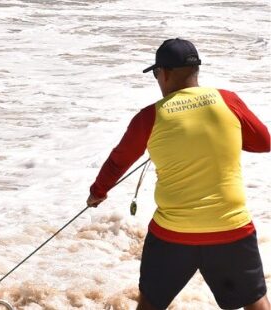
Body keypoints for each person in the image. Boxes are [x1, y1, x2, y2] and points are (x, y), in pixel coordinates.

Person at [86, 38, 270, 310]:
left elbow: (117, 162)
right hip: (231, 229)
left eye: (157, 74)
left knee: (149, 303)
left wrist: (97, 193)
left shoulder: (150, 117)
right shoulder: (228, 101)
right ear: (195, 71)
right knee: (256, 303)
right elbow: (264, 142)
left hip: (173, 235)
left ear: (166, 73)